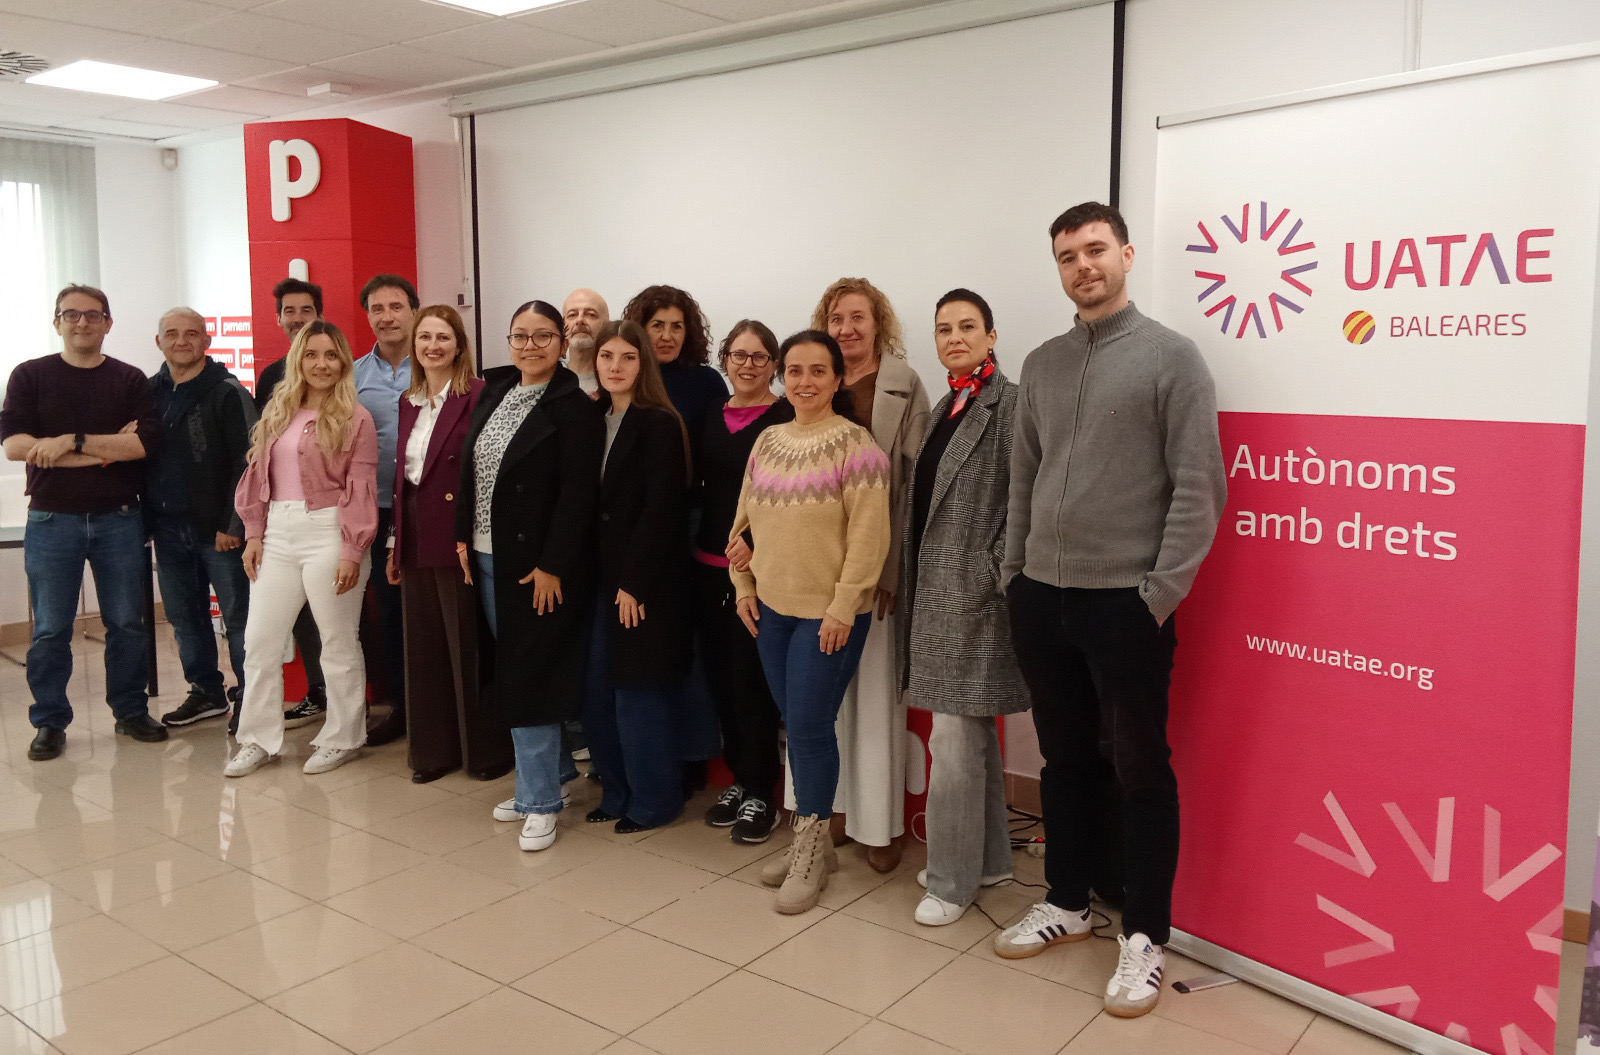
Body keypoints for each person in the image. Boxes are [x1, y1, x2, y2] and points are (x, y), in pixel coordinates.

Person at [995, 202, 1226, 1018]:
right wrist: (1014, 574)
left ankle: (1146, 936)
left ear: (1125, 254)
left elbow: (1200, 489)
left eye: (1095, 250)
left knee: (1138, 770)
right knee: (1063, 762)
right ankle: (1067, 900)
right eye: (1067, 256)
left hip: (1127, 604)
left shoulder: (1172, 359)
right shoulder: (1044, 363)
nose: (1082, 265)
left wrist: (1157, 597)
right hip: (1043, 599)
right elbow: (1024, 479)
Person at [737, 331, 889, 913]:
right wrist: (743, 585)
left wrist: (843, 607)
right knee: (798, 725)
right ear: (781, 376)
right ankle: (817, 843)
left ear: (836, 378)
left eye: (817, 372)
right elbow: (741, 525)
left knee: (806, 727)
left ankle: (809, 849)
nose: (803, 382)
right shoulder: (768, 441)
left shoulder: (858, 448)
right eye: (793, 371)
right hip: (771, 611)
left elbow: (868, 538)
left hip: (827, 618)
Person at [899, 290, 1028, 926]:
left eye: (967, 326)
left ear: (991, 334)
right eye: (944, 328)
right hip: (935, 591)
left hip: (979, 593)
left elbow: (1025, 495)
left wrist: (994, 571)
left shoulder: (1012, 402)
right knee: (969, 728)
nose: (954, 337)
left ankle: (950, 883)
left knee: (951, 735)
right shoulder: (948, 402)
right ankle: (990, 861)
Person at [0, 285, 167, 760]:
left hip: (120, 518)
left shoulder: (130, 380)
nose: (81, 323)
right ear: (56, 322)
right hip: (53, 520)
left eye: (92, 315)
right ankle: (49, 721)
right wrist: (104, 450)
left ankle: (131, 712)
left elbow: (141, 446)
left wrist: (66, 442)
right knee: (51, 628)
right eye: (70, 315)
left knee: (126, 624)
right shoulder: (30, 376)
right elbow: (15, 447)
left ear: (108, 323)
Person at [459, 301, 603, 852]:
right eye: (520, 336)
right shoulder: (495, 391)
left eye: (543, 336)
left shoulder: (574, 407)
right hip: (487, 555)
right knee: (516, 668)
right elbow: (473, 468)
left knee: (530, 676)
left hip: (535, 567)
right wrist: (461, 534)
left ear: (562, 343)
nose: (530, 346)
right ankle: (556, 778)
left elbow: (577, 498)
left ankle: (538, 798)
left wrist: (553, 566)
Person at [813, 277, 930, 872]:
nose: (847, 329)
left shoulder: (904, 384)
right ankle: (829, 812)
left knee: (876, 700)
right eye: (837, 319)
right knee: (823, 699)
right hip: (816, 572)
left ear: (878, 323)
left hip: (877, 568)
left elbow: (913, 490)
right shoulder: (814, 379)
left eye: (858, 318)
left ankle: (878, 827)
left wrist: (889, 570)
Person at [226, 321, 379, 778]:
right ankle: (256, 739)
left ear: (343, 363)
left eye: (331, 355)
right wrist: (254, 532)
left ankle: (344, 737)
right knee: (259, 641)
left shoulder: (357, 417)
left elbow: (362, 487)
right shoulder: (278, 410)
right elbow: (257, 477)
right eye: (311, 355)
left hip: (332, 530)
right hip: (277, 532)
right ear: (298, 360)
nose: (321, 364)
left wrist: (352, 551)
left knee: (336, 640)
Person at [386, 305, 508, 784]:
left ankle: (483, 753)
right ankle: (433, 752)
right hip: (415, 533)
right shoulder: (408, 400)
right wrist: (397, 543)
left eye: (443, 338)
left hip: (457, 534)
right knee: (424, 648)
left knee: (467, 645)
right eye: (425, 338)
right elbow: (403, 478)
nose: (433, 346)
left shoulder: (478, 395)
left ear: (459, 345)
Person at [582, 320, 693, 834]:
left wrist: (635, 582)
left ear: (642, 363)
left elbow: (662, 510)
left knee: (638, 692)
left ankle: (653, 801)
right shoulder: (592, 419)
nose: (616, 367)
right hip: (596, 580)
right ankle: (617, 791)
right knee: (599, 689)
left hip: (641, 583)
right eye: (607, 357)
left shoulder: (658, 423)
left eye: (628, 357)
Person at [620, 285, 727, 788]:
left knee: (688, 643)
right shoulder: (624, 375)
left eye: (676, 326)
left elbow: (718, 457)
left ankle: (693, 756)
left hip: (689, 525)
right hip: (631, 529)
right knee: (646, 645)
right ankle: (645, 755)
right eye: (656, 325)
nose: (665, 335)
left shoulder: (705, 383)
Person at [695, 321, 792, 843]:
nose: (748, 364)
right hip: (707, 566)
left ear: (773, 363)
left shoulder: (785, 417)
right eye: (738, 355)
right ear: (725, 359)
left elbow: (787, 497)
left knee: (753, 685)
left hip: (758, 573)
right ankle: (737, 777)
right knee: (722, 683)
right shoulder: (713, 414)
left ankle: (761, 791)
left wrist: (756, 543)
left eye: (759, 356)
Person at [146, 307, 258, 728]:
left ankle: (251, 694)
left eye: (191, 333)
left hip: (220, 535)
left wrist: (234, 525)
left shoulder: (227, 391)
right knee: (184, 616)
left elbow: (249, 461)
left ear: (207, 341)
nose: (181, 341)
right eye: (171, 333)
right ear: (159, 342)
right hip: (168, 530)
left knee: (238, 618)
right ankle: (207, 693)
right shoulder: (147, 391)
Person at [259, 277, 329, 733]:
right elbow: (259, 455)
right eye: (290, 310)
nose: (297, 318)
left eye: (306, 309)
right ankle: (314, 694)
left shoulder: (341, 371)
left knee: (337, 625)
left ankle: (347, 710)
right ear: (279, 317)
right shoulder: (269, 379)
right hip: (281, 522)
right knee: (281, 626)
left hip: (333, 517)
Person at [355, 274, 416, 746]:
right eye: (378, 308)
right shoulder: (353, 375)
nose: (387, 316)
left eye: (396, 306)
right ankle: (401, 707)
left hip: (427, 508)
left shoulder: (439, 362)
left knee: (436, 611)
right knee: (390, 612)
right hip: (377, 509)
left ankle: (444, 704)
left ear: (413, 311)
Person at [562, 288, 609, 396]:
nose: (580, 320)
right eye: (572, 315)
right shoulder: (549, 378)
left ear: (606, 325)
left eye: (591, 314)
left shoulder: (615, 380)